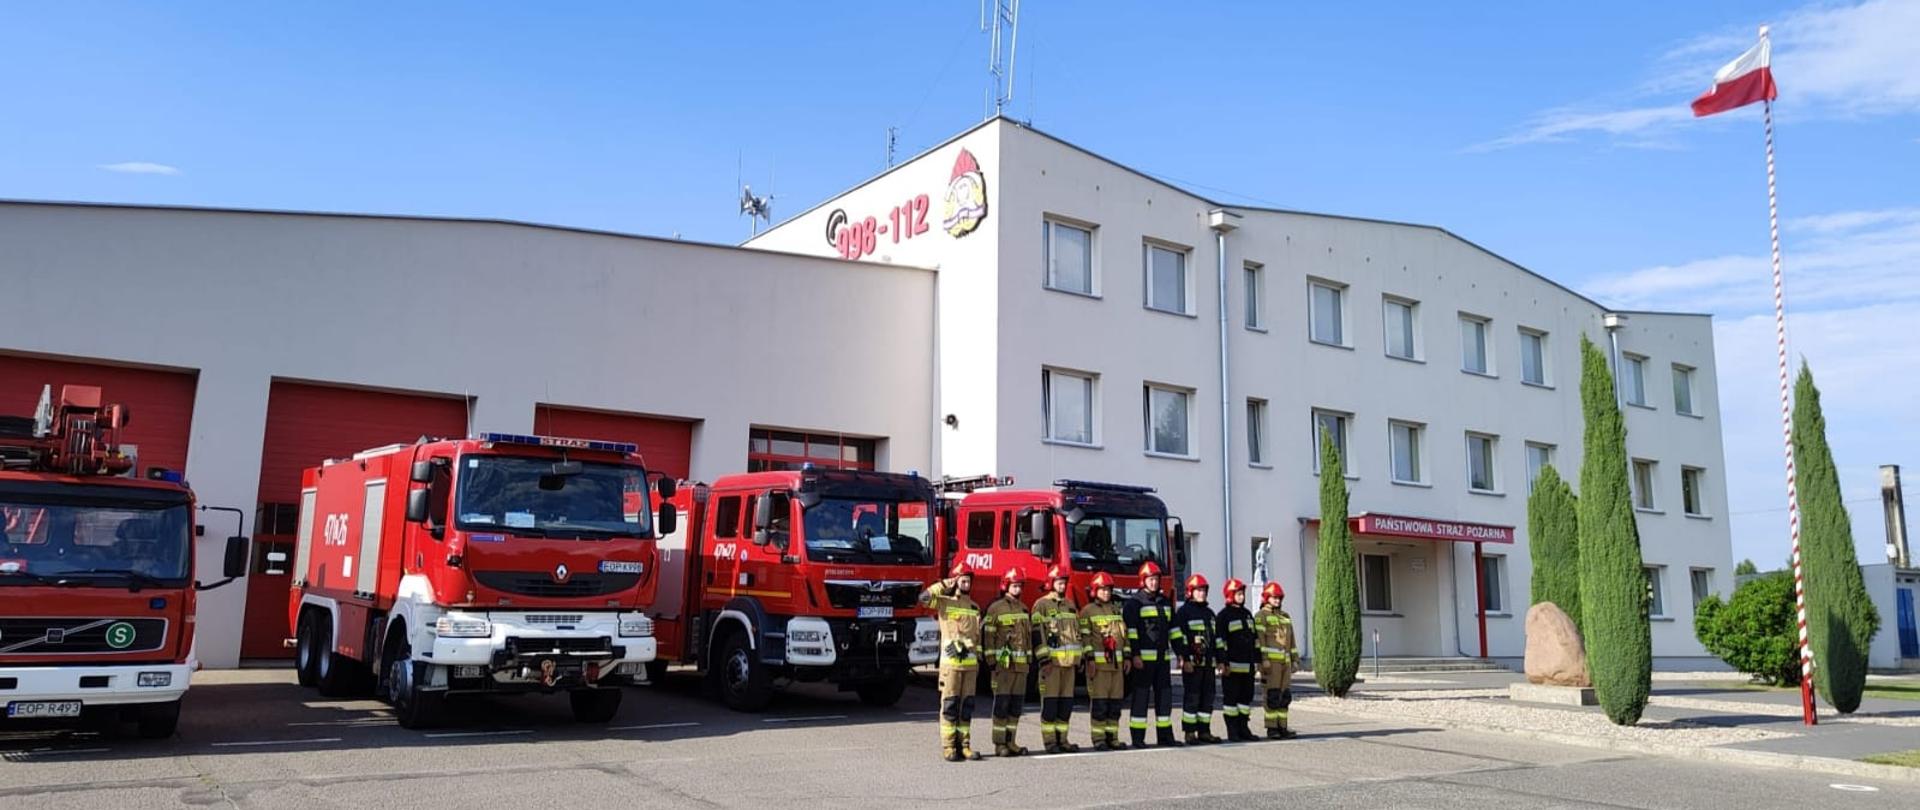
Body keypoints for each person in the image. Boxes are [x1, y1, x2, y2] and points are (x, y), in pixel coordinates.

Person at [921, 562, 985, 761]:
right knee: (949, 706)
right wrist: (943, 584)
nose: (966, 584)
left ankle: (964, 745)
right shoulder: (944, 603)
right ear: (955, 581)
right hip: (951, 666)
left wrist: (980, 660)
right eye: (962, 580)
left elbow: (977, 639)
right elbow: (923, 598)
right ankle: (949, 747)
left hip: (970, 667)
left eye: (968, 581)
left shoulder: (974, 607)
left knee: (966, 707)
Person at [1123, 560, 1179, 747]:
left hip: (1162, 661)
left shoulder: (1165, 602)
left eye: (1156, 579)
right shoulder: (1134, 604)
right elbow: (1131, 632)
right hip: (1143, 662)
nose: (1154, 583)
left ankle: (1165, 737)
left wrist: (1181, 654)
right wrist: (1135, 655)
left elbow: (1174, 631)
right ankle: (1138, 739)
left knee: (1164, 699)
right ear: (1143, 580)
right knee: (1140, 699)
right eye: (1150, 579)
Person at [1031, 565, 1083, 754]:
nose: (1062, 586)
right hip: (1051, 666)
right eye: (1059, 583)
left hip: (1069, 665)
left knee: (1065, 706)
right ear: (1051, 583)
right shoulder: (1041, 605)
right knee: (1050, 705)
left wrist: (1081, 659)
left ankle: (1063, 739)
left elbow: (1076, 635)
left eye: (1064, 583)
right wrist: (1044, 660)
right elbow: (1037, 634)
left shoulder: (1070, 605)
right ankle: (1050, 742)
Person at [984, 568, 1033, 757]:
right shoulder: (995, 608)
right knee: (1001, 706)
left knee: (1015, 707)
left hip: (1021, 668)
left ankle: (1011, 741)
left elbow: (1027, 639)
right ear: (1006, 585)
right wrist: (991, 662)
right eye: (1014, 585)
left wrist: (1029, 661)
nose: (1017, 589)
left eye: (1019, 585)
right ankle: (999, 744)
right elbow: (988, 637)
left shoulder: (1024, 609)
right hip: (1003, 668)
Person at [1078, 572, 1129, 751]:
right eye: (1102, 590)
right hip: (1099, 667)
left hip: (1117, 667)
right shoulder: (1087, 612)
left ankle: (1112, 738)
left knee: (1115, 705)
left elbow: (1125, 636)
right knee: (1099, 705)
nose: (1106, 593)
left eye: (1108, 590)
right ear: (1094, 591)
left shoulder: (1116, 610)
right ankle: (1099, 739)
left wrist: (1127, 657)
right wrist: (1089, 659)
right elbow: (1085, 639)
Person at [1171, 573, 1222, 744]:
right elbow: (1178, 636)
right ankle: (1189, 732)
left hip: (1208, 664)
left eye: (1204, 590)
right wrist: (1184, 658)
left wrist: (1220, 659)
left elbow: (1216, 639)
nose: (1202, 593)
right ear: (1190, 592)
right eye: (1198, 590)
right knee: (1192, 698)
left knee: (1208, 698)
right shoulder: (1184, 612)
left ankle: (1204, 731)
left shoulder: (1210, 613)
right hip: (1192, 663)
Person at [1215, 578, 1261, 742]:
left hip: (1248, 666)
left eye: (1242, 594)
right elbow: (1220, 641)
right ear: (1230, 595)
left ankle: (1243, 728)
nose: (1242, 597)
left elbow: (1255, 639)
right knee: (1231, 701)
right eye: (1238, 594)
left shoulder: (1247, 614)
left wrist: (1257, 660)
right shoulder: (1223, 616)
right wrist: (1223, 662)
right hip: (1232, 668)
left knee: (1245, 700)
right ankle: (1232, 730)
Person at [1255, 580, 1299, 740]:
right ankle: (1272, 728)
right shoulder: (1261, 617)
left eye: (1279, 598)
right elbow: (1259, 640)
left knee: (1284, 695)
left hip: (1285, 663)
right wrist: (1263, 659)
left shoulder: (1285, 617)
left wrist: (1295, 659)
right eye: (1274, 597)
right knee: (1272, 695)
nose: (1277, 600)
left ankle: (1283, 727)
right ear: (1267, 597)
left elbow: (1291, 640)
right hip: (1270, 664)